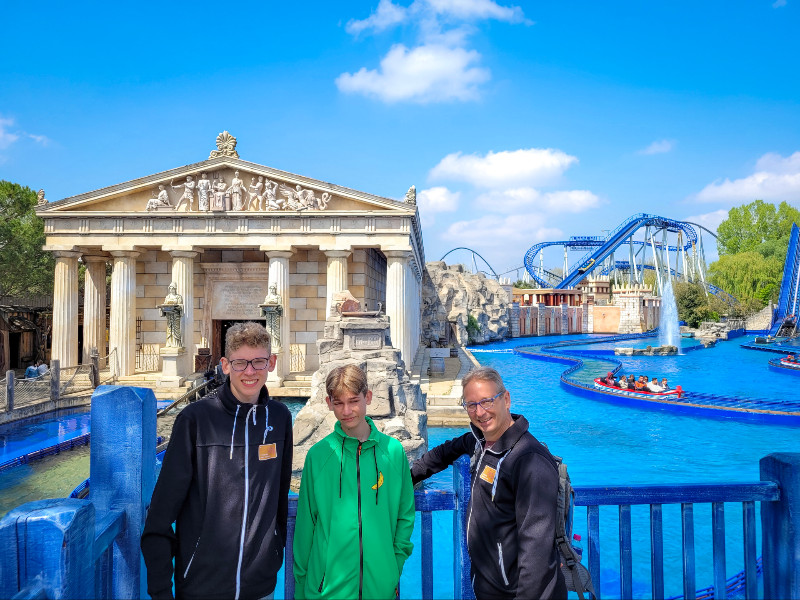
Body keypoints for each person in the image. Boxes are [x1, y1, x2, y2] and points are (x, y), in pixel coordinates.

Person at [141, 322, 292, 600]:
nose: (250, 372)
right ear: (225, 365)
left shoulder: (280, 418)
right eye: (240, 363)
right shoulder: (195, 420)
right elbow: (162, 514)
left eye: (259, 361)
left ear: (271, 362)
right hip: (201, 587)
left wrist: (274, 550)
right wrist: (161, 591)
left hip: (260, 588)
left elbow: (280, 495)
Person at [411, 367, 567, 599]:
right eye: (471, 405)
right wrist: (404, 478)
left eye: (487, 401)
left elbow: (537, 555)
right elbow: (443, 453)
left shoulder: (529, 461)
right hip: (489, 587)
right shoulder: (480, 442)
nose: (480, 412)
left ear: (506, 399)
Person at [294, 364, 415, 599]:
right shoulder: (318, 456)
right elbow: (306, 525)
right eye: (338, 403)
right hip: (326, 591)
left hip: (381, 588)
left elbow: (405, 515)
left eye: (353, 401)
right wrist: (301, 586)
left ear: (367, 397)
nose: (347, 411)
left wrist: (392, 569)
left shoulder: (394, 452)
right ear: (329, 403)